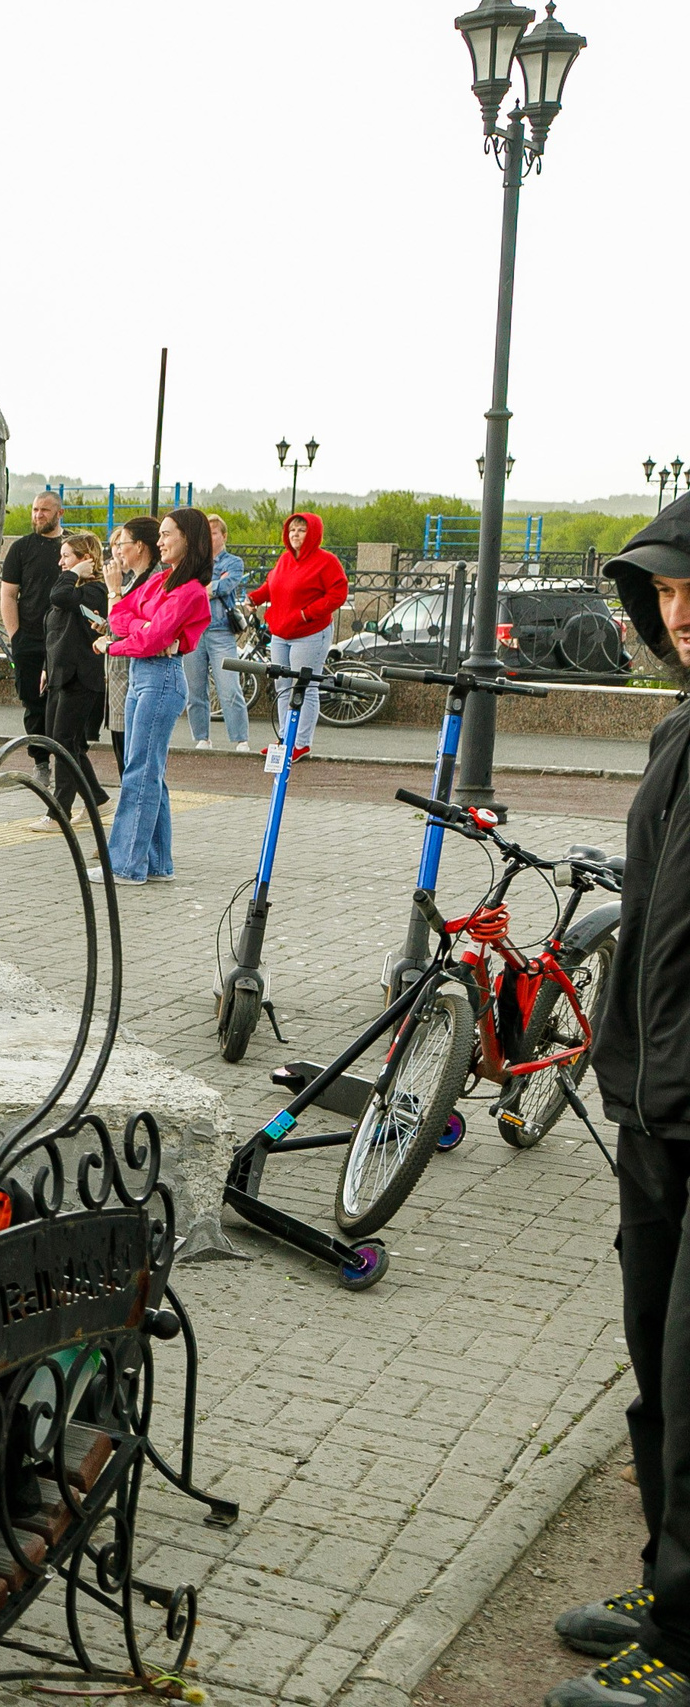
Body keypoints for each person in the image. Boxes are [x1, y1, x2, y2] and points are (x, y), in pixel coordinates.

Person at [550, 501, 690, 1707]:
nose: (680, 614)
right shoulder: (677, 732)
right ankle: (669, 1575)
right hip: (651, 1100)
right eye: (666, 594)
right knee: (656, 1355)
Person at [91, 510, 213, 886]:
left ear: (188, 538)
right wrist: (142, 627)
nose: (160, 542)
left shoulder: (189, 590)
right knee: (147, 770)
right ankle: (158, 864)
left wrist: (116, 644)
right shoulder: (161, 580)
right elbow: (121, 617)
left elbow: (151, 639)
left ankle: (126, 865)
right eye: (159, 535)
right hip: (144, 675)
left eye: (166, 534)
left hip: (161, 678)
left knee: (140, 770)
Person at [248, 511, 349, 763]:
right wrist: (255, 598)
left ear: (313, 534)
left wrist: (307, 613)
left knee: (305, 686)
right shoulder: (284, 560)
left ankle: (301, 743)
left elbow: (338, 594)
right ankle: (285, 739)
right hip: (281, 633)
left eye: (302, 530)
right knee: (282, 686)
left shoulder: (326, 562)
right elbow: (272, 586)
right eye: (292, 530)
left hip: (310, 634)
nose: (295, 534)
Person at [37, 530, 112, 829]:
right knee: (67, 743)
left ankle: (59, 812)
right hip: (60, 675)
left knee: (64, 744)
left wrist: (76, 573)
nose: (61, 563)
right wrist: (47, 666)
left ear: (86, 559)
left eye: (66, 556)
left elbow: (59, 596)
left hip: (80, 677)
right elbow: (55, 630)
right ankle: (98, 800)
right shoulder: (71, 590)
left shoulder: (94, 591)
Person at [0, 491, 65, 783]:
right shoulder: (21, 549)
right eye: (35, 510)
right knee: (33, 704)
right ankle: (41, 763)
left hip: (64, 640)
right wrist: (16, 637)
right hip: (30, 639)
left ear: (59, 513)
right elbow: (8, 595)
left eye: (45, 510)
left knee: (64, 703)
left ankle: (68, 764)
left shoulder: (72, 546)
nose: (38, 515)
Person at [184, 512, 252, 752]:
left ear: (224, 536)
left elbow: (226, 585)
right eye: (206, 533)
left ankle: (240, 739)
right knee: (195, 690)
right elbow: (186, 590)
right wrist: (208, 587)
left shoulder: (233, 562)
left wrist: (203, 589)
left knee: (229, 687)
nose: (209, 538)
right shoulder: (193, 562)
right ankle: (201, 737)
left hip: (221, 630)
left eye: (213, 533)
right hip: (194, 631)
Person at [104, 521, 154, 771]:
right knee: (127, 760)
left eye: (122, 543)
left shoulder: (152, 580)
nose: (118, 550)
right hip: (125, 676)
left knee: (135, 764)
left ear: (140, 546)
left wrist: (113, 591)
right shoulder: (137, 579)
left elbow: (122, 627)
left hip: (135, 676)